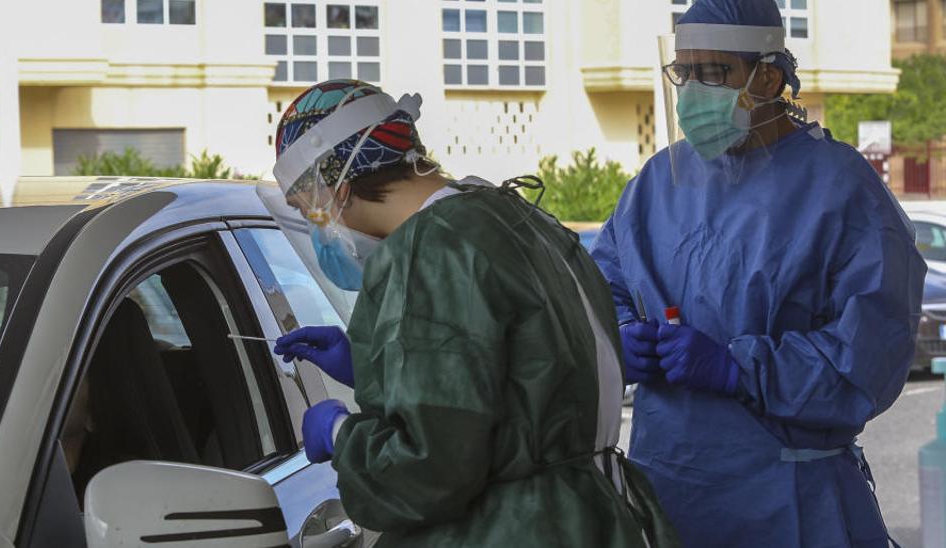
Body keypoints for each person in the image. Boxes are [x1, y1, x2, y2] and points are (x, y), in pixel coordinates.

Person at [264, 79, 679, 547]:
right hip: (593, 517)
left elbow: (430, 469)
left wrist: (340, 433)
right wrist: (374, 367)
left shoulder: (431, 248)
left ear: (334, 186)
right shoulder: (514, 218)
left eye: (307, 208)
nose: (318, 230)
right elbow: (524, 383)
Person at [589, 1, 927, 546]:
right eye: (684, 73)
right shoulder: (658, 183)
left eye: (714, 73)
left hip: (788, 500)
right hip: (668, 492)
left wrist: (739, 369)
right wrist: (617, 336)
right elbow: (598, 287)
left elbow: (870, 354)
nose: (693, 91)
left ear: (767, 76)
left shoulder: (839, 188)